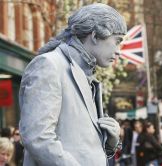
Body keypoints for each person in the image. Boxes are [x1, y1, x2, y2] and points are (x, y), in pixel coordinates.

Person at [19, 3, 127, 166]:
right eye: (117, 40)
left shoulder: (87, 76)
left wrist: (110, 142)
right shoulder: (49, 65)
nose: (119, 50)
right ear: (95, 35)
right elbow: (38, 138)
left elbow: (82, 148)